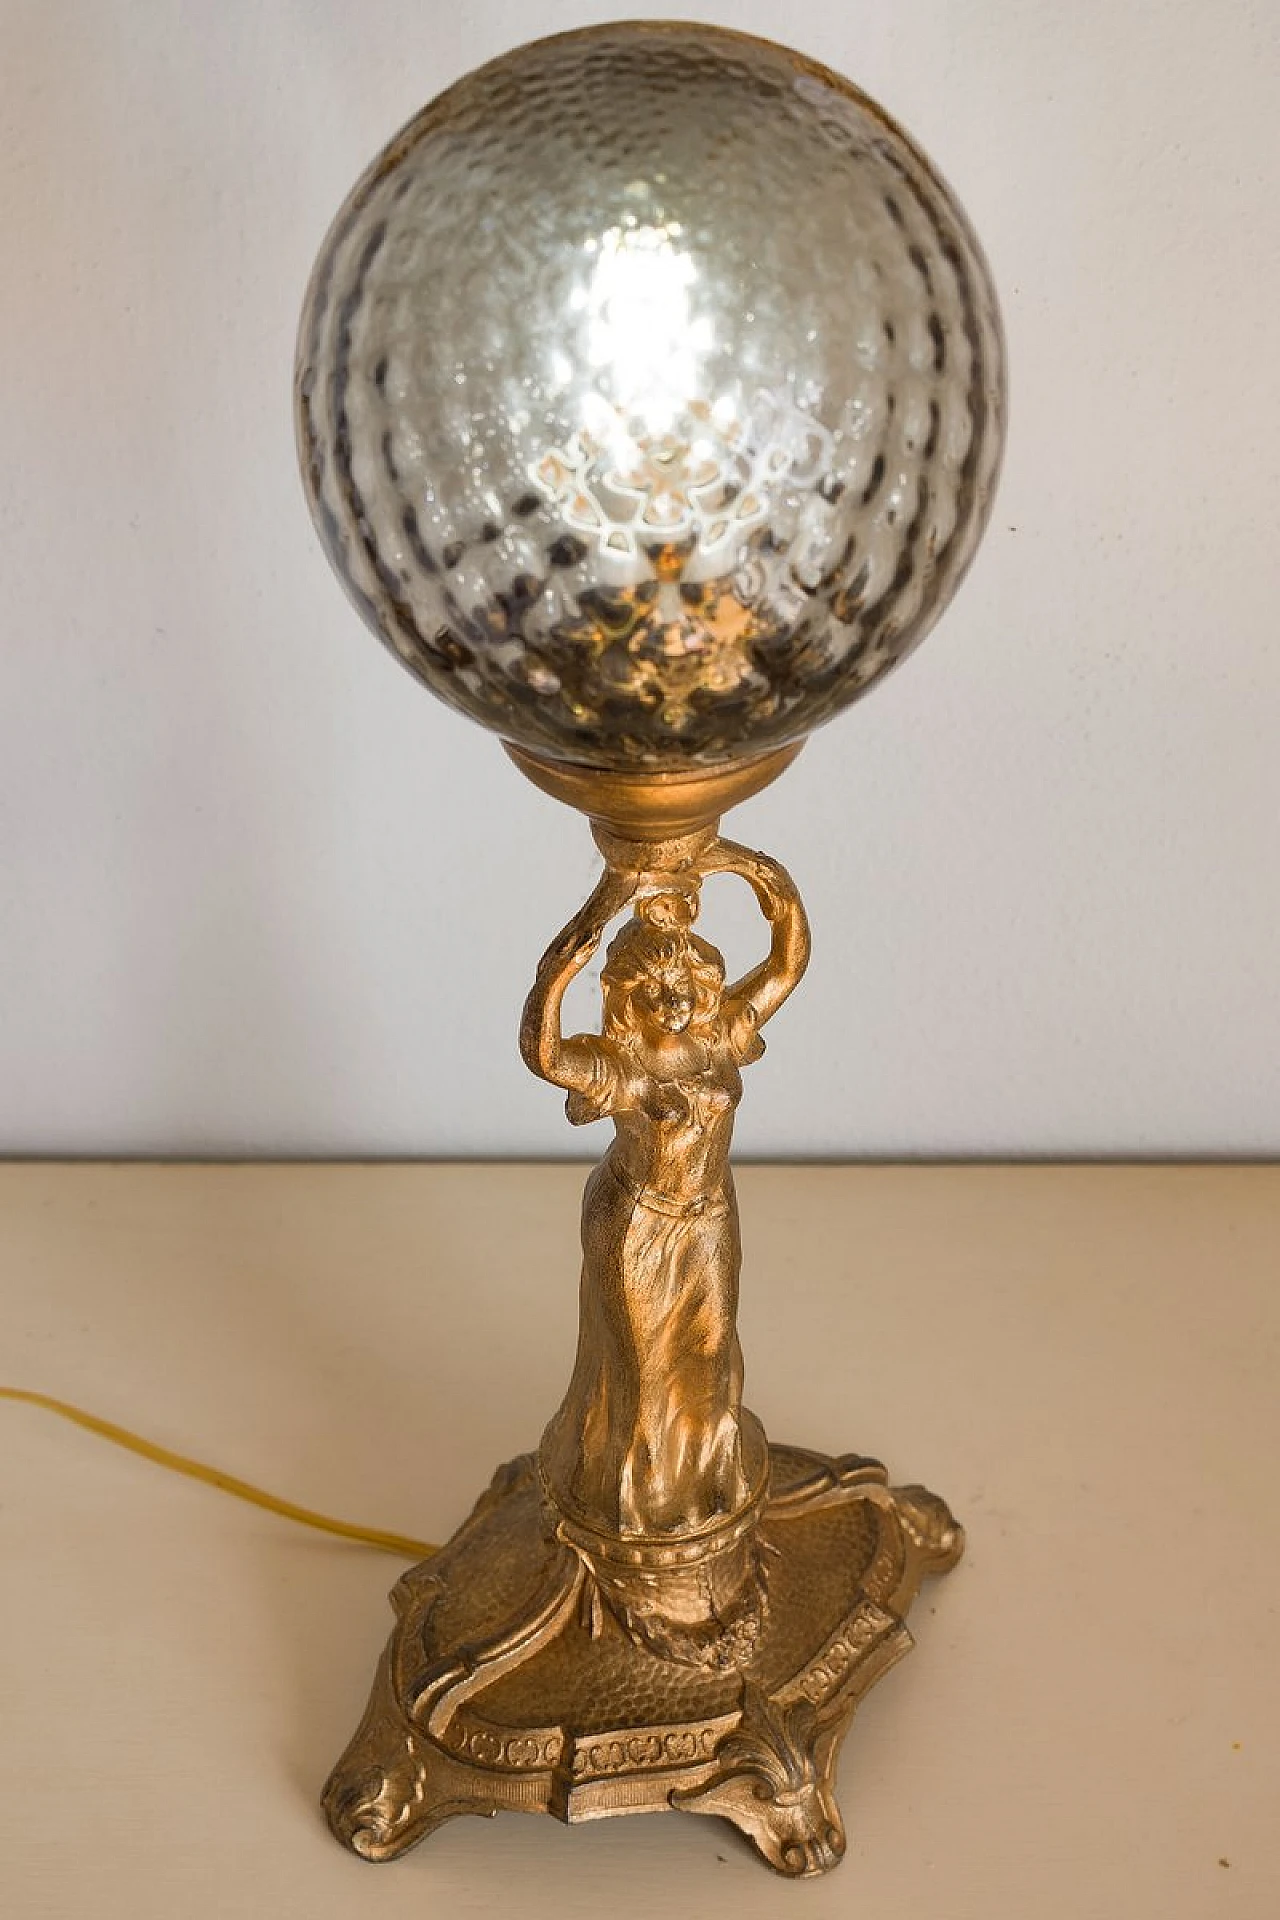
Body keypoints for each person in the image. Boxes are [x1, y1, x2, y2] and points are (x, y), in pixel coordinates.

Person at [521, 836, 810, 1539]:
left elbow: (788, 963)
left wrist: (751, 868)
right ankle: (630, 1514)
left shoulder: (720, 1036)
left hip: (708, 1216)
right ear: (627, 993)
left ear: (706, 986)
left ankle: (705, 1494)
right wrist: (566, 959)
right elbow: (545, 1054)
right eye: (653, 991)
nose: (673, 1002)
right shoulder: (620, 1061)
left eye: (685, 988)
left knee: (709, 1355)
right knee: (641, 1375)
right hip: (639, 1226)